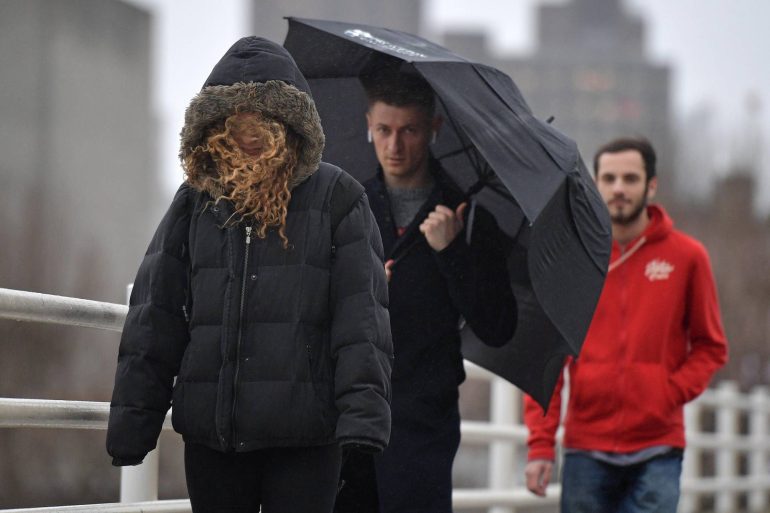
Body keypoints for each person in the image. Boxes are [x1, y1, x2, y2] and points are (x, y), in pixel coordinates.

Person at [106, 37, 393, 513]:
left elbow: (361, 317)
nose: (249, 130)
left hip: (305, 439)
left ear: (289, 120)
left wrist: (363, 421)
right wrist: (133, 424)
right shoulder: (196, 200)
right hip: (214, 437)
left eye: (263, 116)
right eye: (236, 118)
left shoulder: (337, 198)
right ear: (215, 124)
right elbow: (155, 314)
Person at [335, 69, 517, 513]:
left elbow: (497, 327)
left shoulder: (470, 221)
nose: (394, 146)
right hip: (346, 413)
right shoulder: (344, 209)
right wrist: (363, 287)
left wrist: (452, 252)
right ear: (368, 126)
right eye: (384, 130)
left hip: (423, 419)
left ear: (433, 129)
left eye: (409, 131)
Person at [523, 137, 728, 512]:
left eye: (630, 178)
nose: (619, 188)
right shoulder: (574, 262)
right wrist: (540, 444)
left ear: (651, 185)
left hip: (658, 447)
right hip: (586, 447)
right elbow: (546, 360)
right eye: (610, 178)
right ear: (596, 184)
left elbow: (710, 347)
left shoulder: (688, 257)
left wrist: (668, 391)